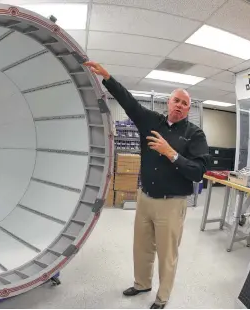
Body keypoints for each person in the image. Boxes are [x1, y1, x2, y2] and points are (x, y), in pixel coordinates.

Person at [84, 61, 210, 309]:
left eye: (185, 103)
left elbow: (198, 172)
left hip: (171, 205)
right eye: (176, 100)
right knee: (141, 246)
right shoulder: (152, 122)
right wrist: (108, 78)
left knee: (167, 253)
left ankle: (162, 297)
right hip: (145, 198)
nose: (180, 105)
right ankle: (142, 283)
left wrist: (171, 153)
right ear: (168, 102)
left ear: (188, 109)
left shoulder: (195, 135)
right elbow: (129, 103)